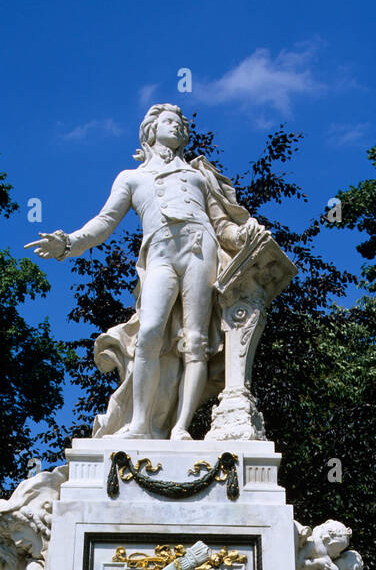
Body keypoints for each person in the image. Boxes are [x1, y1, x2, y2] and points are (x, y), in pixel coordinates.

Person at [27, 103, 263, 439]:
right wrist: (69, 243)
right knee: (150, 332)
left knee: (195, 340)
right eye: (170, 121)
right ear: (151, 130)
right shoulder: (132, 178)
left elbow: (222, 224)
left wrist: (244, 234)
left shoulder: (200, 176)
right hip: (160, 253)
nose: (179, 127)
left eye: (182, 123)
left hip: (200, 247)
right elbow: (104, 222)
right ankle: (139, 424)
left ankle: (181, 428)